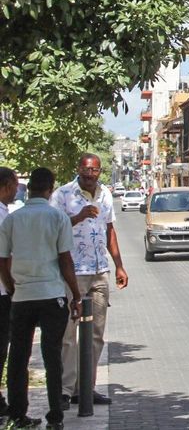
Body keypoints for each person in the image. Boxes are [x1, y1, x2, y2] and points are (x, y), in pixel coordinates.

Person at [0, 167, 82, 430]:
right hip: (52, 295)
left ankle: (17, 414)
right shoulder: (57, 217)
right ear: (50, 188)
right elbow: (65, 259)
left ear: (29, 187)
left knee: (18, 358)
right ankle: (55, 417)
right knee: (52, 356)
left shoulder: (12, 219)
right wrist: (76, 295)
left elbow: (2, 260)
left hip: (22, 296)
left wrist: (12, 286)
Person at [49, 154, 128, 407]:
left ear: (100, 171)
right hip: (72, 272)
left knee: (96, 334)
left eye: (94, 170)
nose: (90, 174)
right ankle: (65, 389)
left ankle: (86, 388)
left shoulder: (105, 194)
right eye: (86, 169)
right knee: (68, 333)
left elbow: (110, 230)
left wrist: (119, 266)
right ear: (78, 169)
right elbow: (53, 230)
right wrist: (79, 217)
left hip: (99, 271)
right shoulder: (62, 195)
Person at [0, 167, 17, 416]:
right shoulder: (4, 217)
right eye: (14, 185)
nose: (16, 189)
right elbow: (3, 258)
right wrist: (12, 287)